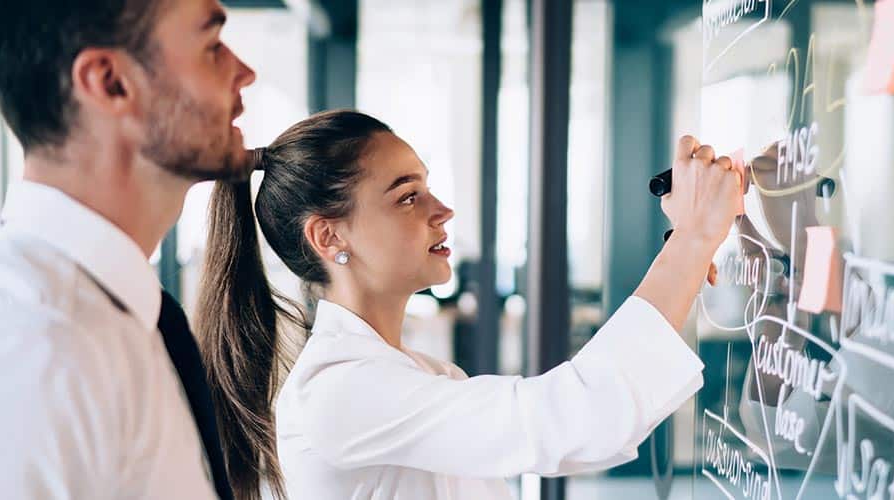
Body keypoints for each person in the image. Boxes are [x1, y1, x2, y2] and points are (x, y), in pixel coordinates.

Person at [197, 109, 744, 499]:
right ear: (329, 237)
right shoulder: (340, 391)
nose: (443, 211)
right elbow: (572, 419)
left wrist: (688, 255)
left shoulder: (415, 374)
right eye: (408, 196)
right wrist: (693, 242)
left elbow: (579, 436)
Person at [0, 1, 258, 499]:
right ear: (111, 83)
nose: (244, 73)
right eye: (211, 47)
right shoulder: (26, 347)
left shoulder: (114, 319)